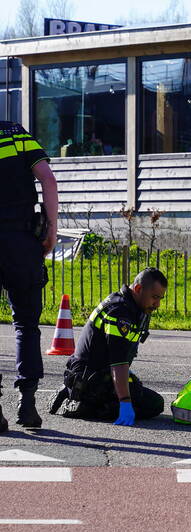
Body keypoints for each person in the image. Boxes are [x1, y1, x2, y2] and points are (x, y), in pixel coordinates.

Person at [48, 268, 168, 426]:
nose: (157, 304)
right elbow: (118, 363)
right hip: (92, 379)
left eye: (160, 298)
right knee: (153, 404)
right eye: (154, 297)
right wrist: (125, 402)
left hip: (94, 374)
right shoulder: (119, 312)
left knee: (139, 391)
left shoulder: (134, 307)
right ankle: (85, 405)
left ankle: (73, 391)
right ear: (138, 289)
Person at [0, 121, 59, 431]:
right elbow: (48, 180)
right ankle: (28, 404)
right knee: (26, 324)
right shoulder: (15, 134)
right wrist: (51, 228)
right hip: (22, 241)